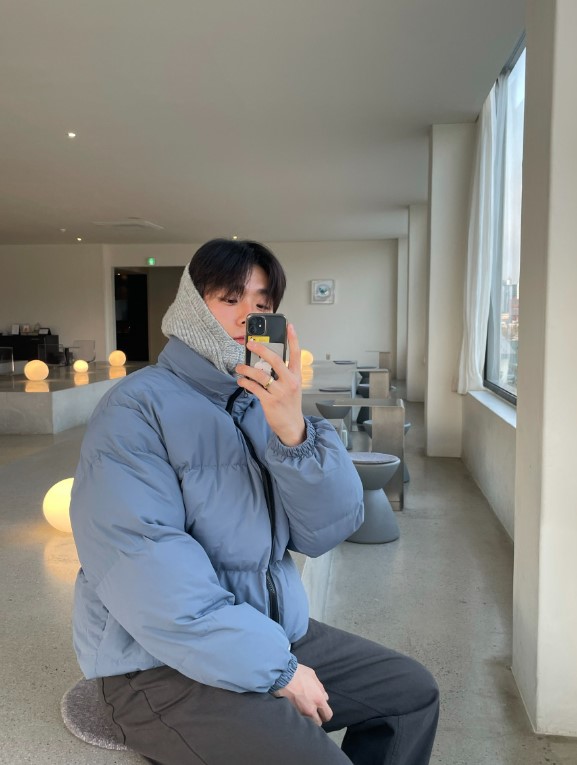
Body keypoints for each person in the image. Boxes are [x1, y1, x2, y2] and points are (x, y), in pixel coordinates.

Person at [70, 239, 439, 765]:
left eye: (262, 304)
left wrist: (295, 435)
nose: (248, 316)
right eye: (230, 299)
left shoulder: (264, 404)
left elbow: (327, 529)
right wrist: (278, 669)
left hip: (266, 632)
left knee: (410, 694)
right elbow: (146, 566)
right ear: (192, 307)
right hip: (156, 664)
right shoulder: (134, 408)